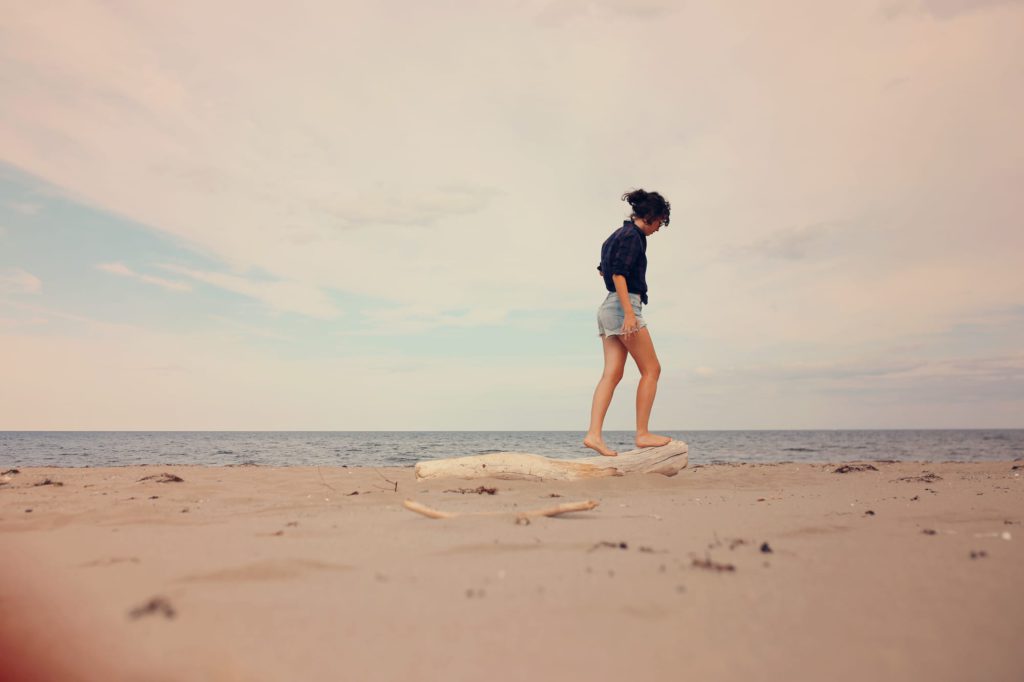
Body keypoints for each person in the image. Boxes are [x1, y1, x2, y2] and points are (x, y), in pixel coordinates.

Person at [583, 189, 674, 457]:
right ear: (652, 216)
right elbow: (619, 273)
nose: (659, 228)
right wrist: (629, 313)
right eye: (660, 222)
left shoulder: (616, 235)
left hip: (609, 306)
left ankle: (593, 435)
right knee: (652, 370)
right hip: (623, 307)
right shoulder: (632, 237)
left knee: (612, 374)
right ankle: (643, 433)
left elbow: (604, 270)